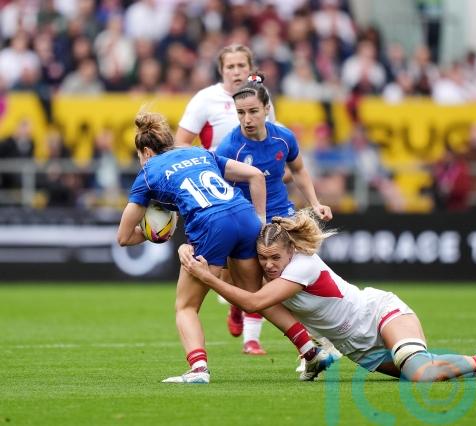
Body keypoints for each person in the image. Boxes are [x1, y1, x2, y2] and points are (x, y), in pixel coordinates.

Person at [179, 209, 476, 382]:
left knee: (420, 372)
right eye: (262, 258)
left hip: (378, 314)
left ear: (291, 251)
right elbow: (237, 276)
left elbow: (253, 302)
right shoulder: (272, 272)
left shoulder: (302, 266)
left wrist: (203, 276)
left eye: (275, 258)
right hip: (359, 349)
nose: (268, 265)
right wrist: (195, 252)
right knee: (423, 367)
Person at [117, 111, 333, 383]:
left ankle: (198, 370)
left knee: (186, 307)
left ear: (146, 152)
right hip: (244, 215)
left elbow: (124, 237)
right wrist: (260, 223)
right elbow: (255, 174)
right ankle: (310, 351)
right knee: (255, 296)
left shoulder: (148, 173)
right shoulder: (199, 153)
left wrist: (157, 233)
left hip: (212, 226)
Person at [217, 72, 336, 365]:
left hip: (283, 218)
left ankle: (314, 342)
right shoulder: (230, 147)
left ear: (267, 109)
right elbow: (220, 188)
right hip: (249, 223)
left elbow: (298, 170)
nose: (246, 119)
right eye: (241, 113)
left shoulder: (284, 137)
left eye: (253, 111)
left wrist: (315, 203)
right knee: (258, 288)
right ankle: (263, 335)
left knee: (300, 279)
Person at [174, 44, 277, 354]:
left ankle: (252, 337)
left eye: (241, 65)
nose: (236, 71)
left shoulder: (262, 98)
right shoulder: (205, 99)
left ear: (250, 67)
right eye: (230, 66)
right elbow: (180, 144)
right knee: (229, 267)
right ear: (221, 70)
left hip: (257, 186)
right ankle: (238, 303)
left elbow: (273, 137)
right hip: (219, 192)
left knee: (260, 260)